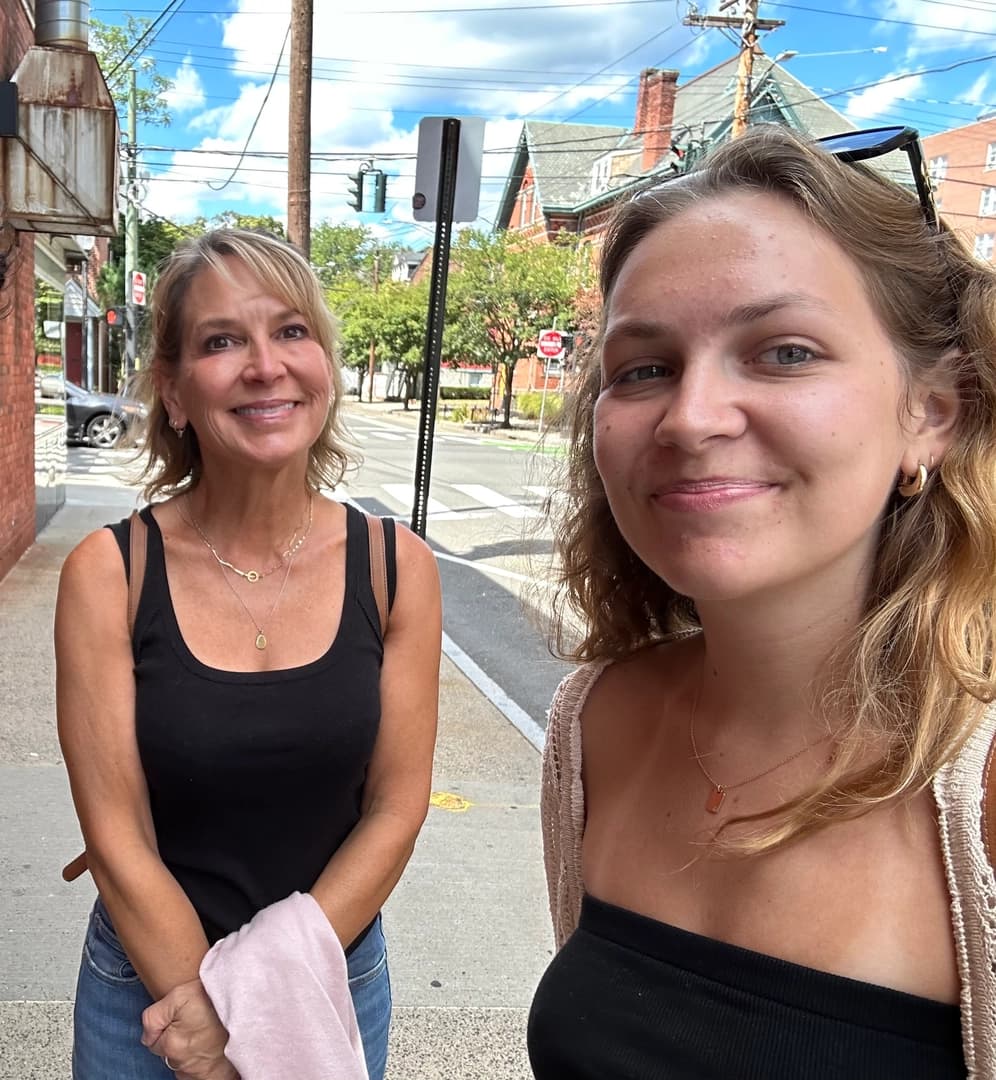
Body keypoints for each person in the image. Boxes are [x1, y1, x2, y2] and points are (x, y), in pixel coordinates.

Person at [528, 125, 996, 1079]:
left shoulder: (979, 791)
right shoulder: (598, 722)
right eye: (644, 368)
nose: (693, 417)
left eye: (784, 352)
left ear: (932, 412)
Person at [56, 227, 442, 1080]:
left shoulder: (394, 568)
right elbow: (116, 833)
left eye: (292, 331)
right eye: (222, 341)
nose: (265, 365)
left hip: (330, 974)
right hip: (146, 997)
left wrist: (259, 993)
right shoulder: (110, 573)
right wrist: (210, 1020)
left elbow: (396, 807)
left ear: (325, 370)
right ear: (175, 392)